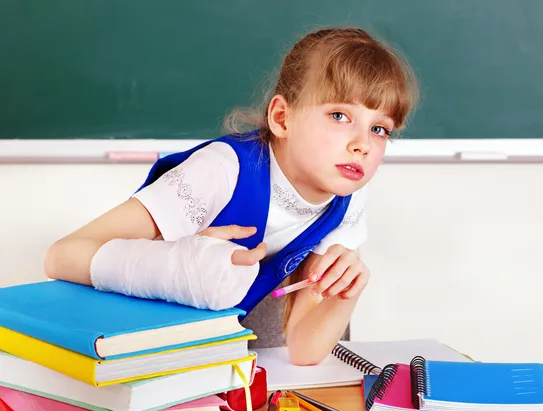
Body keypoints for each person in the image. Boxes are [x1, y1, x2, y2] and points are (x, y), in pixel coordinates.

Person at [44, 27, 418, 365]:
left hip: (216, 359)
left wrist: (348, 293)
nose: (363, 145)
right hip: (136, 352)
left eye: (381, 129)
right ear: (282, 118)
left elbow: (303, 350)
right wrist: (183, 263)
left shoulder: (348, 198)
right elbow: (62, 256)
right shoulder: (222, 171)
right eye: (339, 115)